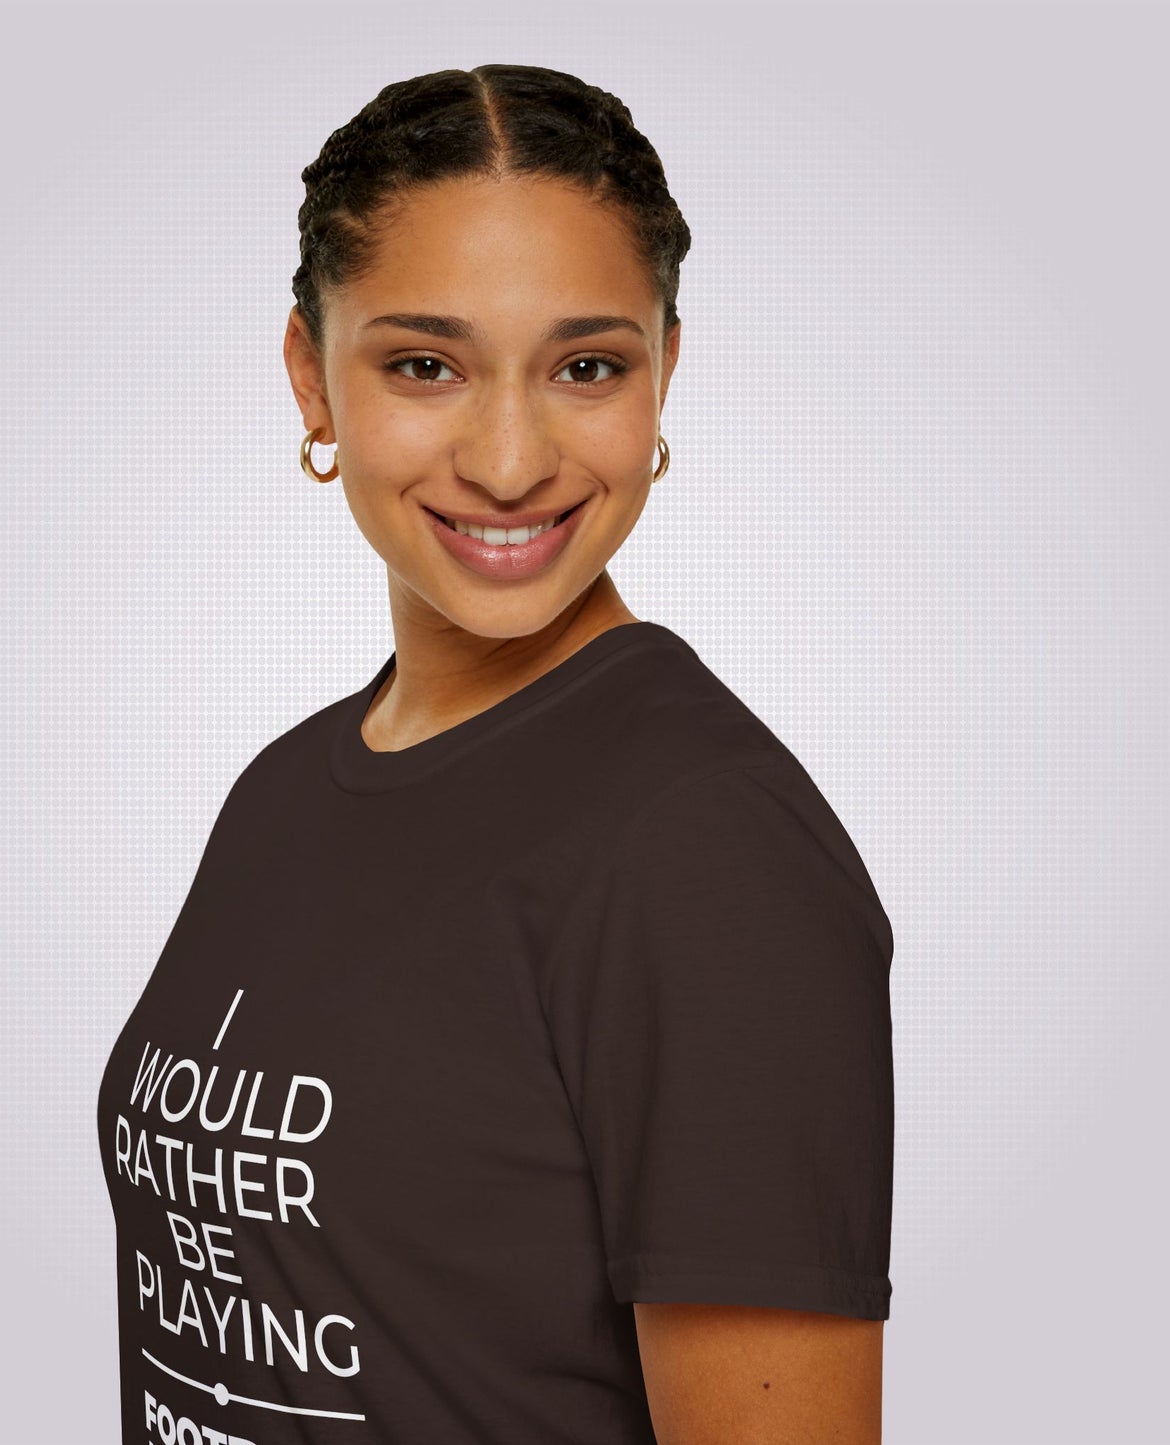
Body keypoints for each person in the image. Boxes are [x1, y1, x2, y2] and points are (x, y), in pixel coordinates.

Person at [98, 63, 895, 1445]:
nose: (512, 457)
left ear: (664, 372)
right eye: (424, 364)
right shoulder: (285, 790)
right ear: (311, 374)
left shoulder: (704, 849)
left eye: (587, 366)